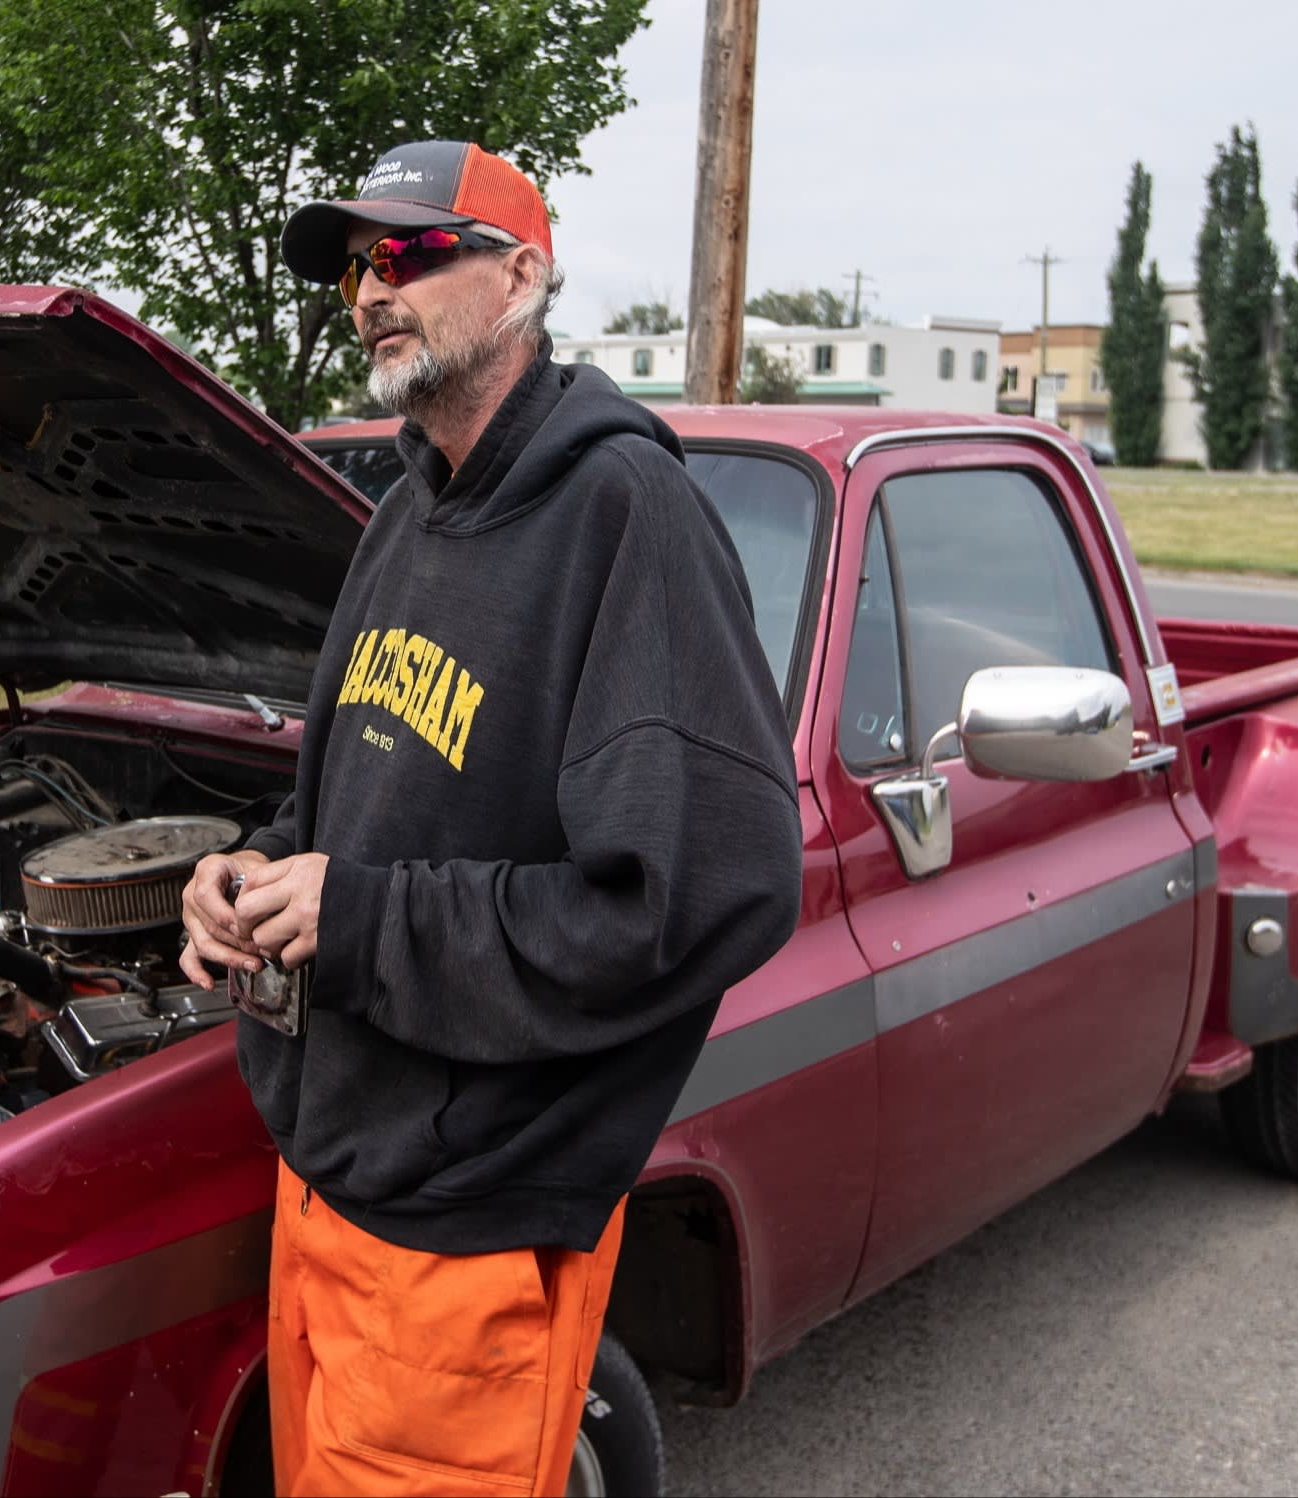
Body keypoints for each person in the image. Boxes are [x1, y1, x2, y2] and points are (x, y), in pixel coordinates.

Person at [178, 141, 803, 1497]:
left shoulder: (626, 515)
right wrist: (258, 870)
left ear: (523, 273)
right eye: (355, 265)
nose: (368, 291)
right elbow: (351, 804)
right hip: (328, 1181)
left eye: (407, 253)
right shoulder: (403, 516)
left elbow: (699, 892)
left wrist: (364, 918)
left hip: (469, 1234)